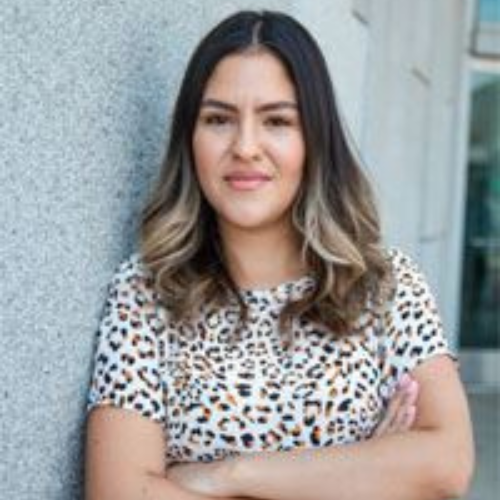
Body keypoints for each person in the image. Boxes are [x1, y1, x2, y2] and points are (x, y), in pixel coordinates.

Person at [84, 9, 474, 500]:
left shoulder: (384, 284)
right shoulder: (146, 292)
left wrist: (229, 475)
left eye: (277, 120)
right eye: (219, 119)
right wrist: (360, 474)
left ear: (315, 139)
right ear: (190, 138)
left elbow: (447, 463)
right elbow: (120, 494)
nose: (245, 147)